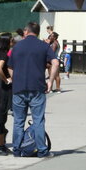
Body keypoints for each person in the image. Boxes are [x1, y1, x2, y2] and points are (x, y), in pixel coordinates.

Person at [8, 22, 58, 158]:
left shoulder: (17, 47)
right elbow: (55, 62)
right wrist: (50, 81)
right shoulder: (43, 46)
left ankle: (17, 149)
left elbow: (10, 67)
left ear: (26, 31)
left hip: (19, 88)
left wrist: (15, 79)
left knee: (18, 121)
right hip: (37, 87)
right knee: (38, 120)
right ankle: (42, 150)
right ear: (38, 32)